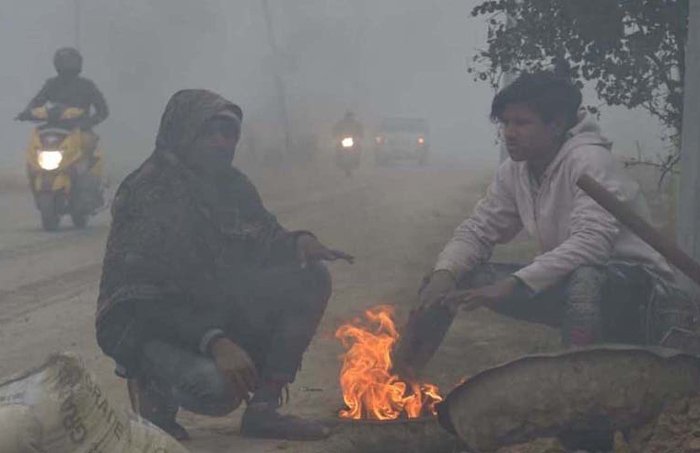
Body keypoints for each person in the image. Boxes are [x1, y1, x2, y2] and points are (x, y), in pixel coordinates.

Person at [96, 89, 353, 441]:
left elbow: (264, 235)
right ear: (183, 133)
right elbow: (140, 302)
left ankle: (263, 411)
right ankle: (153, 398)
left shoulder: (232, 185)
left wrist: (299, 242)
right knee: (217, 390)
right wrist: (215, 342)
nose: (221, 142)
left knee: (310, 278)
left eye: (229, 133)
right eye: (209, 132)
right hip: (152, 328)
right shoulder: (149, 191)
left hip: (210, 310)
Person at [405, 71, 692, 368]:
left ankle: (576, 381)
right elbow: (478, 230)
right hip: (572, 284)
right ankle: (400, 380)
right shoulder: (515, 171)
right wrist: (445, 273)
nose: (509, 133)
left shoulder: (589, 161)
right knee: (445, 280)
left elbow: (592, 245)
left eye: (522, 123)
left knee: (585, 279)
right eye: (505, 122)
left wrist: (513, 284)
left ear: (555, 125)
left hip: (641, 296)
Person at [16, 47, 108, 150]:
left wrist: (88, 122)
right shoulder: (52, 84)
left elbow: (102, 111)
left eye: (70, 62)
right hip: (53, 129)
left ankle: (87, 161)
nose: (67, 65)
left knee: (89, 143)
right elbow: (37, 101)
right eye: (64, 62)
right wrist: (27, 112)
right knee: (35, 144)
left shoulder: (86, 85)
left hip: (79, 130)